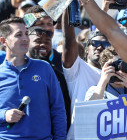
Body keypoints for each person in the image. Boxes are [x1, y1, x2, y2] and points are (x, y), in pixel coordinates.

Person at [0, 17, 66, 139]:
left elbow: (58, 109)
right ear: (4, 41)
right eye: (18, 35)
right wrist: (4, 115)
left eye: (26, 33)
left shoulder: (44, 68)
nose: (25, 38)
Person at [61, 10, 109, 139]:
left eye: (105, 45)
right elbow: (69, 40)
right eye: (95, 44)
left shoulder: (117, 73)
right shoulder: (77, 69)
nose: (99, 47)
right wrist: (69, 7)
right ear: (86, 48)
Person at [27, 26, 71, 131]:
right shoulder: (15, 70)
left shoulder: (57, 73)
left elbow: (62, 111)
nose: (43, 45)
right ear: (26, 42)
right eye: (38, 41)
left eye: (48, 41)